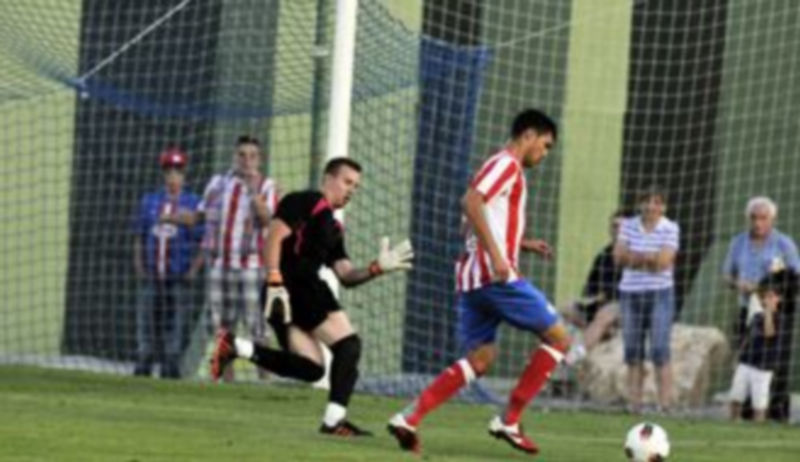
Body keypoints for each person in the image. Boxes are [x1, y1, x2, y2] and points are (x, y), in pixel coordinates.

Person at [387, 109, 569, 456]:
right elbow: (470, 202)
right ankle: (510, 420)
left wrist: (520, 244)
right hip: (495, 276)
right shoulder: (506, 164)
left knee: (481, 359)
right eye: (545, 146)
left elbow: (468, 221)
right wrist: (499, 257)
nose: (544, 155)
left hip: (473, 280)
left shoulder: (495, 166)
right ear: (528, 135)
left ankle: (409, 417)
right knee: (560, 339)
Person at [210, 157, 414, 436]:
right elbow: (274, 237)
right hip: (292, 285)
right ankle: (334, 422)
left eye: (356, 186)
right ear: (328, 178)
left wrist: (377, 268)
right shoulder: (305, 200)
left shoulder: (333, 228)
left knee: (312, 369)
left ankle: (236, 346)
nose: (351, 190)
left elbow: (345, 274)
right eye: (347, 182)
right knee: (348, 346)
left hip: (290, 290)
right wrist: (274, 279)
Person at [164, 135, 279, 381]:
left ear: (259, 159)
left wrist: (251, 191)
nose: (247, 160)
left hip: (250, 267)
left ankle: (266, 381)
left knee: (257, 327)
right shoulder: (218, 184)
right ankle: (228, 384)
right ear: (234, 156)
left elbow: (268, 219)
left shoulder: (267, 186)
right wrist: (172, 217)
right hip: (219, 266)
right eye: (242, 155)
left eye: (252, 156)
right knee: (221, 328)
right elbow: (198, 217)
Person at [722, 196, 800, 421]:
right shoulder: (738, 242)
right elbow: (726, 274)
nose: (758, 223)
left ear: (772, 219)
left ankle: (777, 414)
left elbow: (796, 276)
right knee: (746, 361)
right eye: (754, 217)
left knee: (776, 364)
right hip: (747, 311)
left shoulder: (784, 243)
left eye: (763, 218)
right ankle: (747, 414)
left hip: (778, 313)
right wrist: (739, 284)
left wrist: (771, 290)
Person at [133, 148, 204, 378]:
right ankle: (144, 359)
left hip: (179, 273)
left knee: (176, 320)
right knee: (147, 318)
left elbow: (205, 240)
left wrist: (194, 268)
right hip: (153, 273)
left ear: (184, 175)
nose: (173, 177)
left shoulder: (193, 203)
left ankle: (170, 363)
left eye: (178, 172)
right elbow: (139, 235)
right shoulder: (150, 201)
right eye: (169, 171)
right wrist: (139, 264)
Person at [613, 188, 679, 413]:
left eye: (656, 202)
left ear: (663, 207)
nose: (651, 206)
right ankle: (635, 404)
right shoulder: (627, 225)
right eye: (646, 201)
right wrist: (650, 257)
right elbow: (618, 257)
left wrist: (636, 257)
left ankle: (665, 404)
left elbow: (664, 261)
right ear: (640, 204)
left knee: (660, 349)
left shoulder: (670, 228)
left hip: (660, 293)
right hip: (630, 293)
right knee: (632, 350)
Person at [729, 270, 796, 422]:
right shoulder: (756, 317)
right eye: (766, 296)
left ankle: (759, 425)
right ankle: (733, 421)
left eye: (771, 297)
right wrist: (738, 357)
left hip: (763, 368)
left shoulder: (780, 319)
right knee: (736, 397)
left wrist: (768, 312)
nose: (768, 299)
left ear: (778, 299)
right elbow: (747, 337)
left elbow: (769, 333)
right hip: (746, 362)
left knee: (759, 404)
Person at [562, 210, 625, 363]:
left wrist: (608, 295)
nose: (617, 230)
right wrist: (589, 297)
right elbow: (590, 285)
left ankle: (577, 354)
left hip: (622, 305)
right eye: (614, 226)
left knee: (605, 313)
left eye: (621, 226)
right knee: (566, 307)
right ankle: (601, 332)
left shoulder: (634, 255)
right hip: (599, 304)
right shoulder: (603, 255)